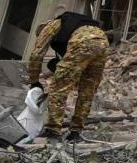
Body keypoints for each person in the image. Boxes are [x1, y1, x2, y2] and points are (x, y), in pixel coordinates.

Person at [26, 11, 110, 142]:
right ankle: (76, 133)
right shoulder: (72, 25)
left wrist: (34, 81)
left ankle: (53, 131)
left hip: (82, 41)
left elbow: (36, 55)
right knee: (87, 91)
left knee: (58, 88)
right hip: (103, 42)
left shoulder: (50, 26)